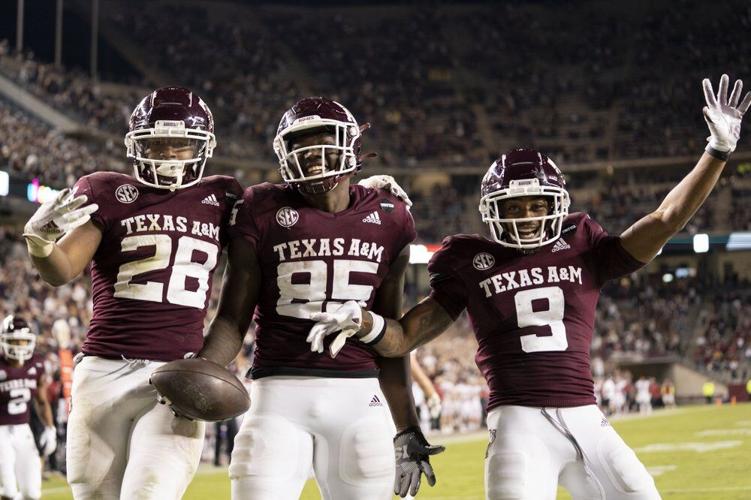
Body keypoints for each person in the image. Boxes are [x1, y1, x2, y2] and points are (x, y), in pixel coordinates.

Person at [308, 75, 751, 499]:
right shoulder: (469, 259)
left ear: (557, 204)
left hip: (587, 418)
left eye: (536, 205)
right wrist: (367, 322)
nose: (526, 217)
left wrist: (717, 150)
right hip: (517, 424)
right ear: (490, 209)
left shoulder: (582, 243)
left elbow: (664, 219)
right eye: (513, 206)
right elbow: (403, 337)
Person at [196, 97, 443, 499]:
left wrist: (407, 426)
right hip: (277, 393)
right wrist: (203, 365)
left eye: (323, 141)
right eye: (300, 145)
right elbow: (230, 320)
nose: (312, 155)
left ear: (352, 146)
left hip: (360, 399)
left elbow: (392, 338)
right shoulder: (260, 207)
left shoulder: (390, 216)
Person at [22, 87, 242, 499]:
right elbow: (62, 270)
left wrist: (361, 195)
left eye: (182, 145)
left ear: (203, 148)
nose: (171, 155)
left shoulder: (222, 197)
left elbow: (283, 224)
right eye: (159, 144)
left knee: (150, 492)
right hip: (102, 371)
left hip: (176, 375)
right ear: (137, 145)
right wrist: (40, 244)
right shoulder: (107, 190)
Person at [0, 316, 57, 500]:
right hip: (0, 432)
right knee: (8, 492)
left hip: (24, 431)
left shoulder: (36, 365)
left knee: (31, 494)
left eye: (23, 340)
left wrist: (50, 429)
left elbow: (41, 401)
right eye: (14, 341)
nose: (19, 346)